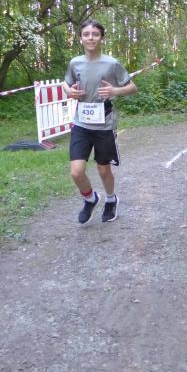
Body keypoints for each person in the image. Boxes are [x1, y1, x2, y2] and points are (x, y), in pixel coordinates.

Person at [63, 19, 138, 224]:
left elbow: (132, 87)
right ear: (80, 38)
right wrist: (70, 91)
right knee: (76, 172)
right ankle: (90, 199)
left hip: (104, 124)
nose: (91, 38)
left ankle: (111, 200)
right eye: (86, 34)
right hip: (81, 124)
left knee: (103, 170)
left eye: (95, 34)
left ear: (101, 38)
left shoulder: (111, 64)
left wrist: (115, 90)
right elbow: (66, 83)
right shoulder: (75, 63)